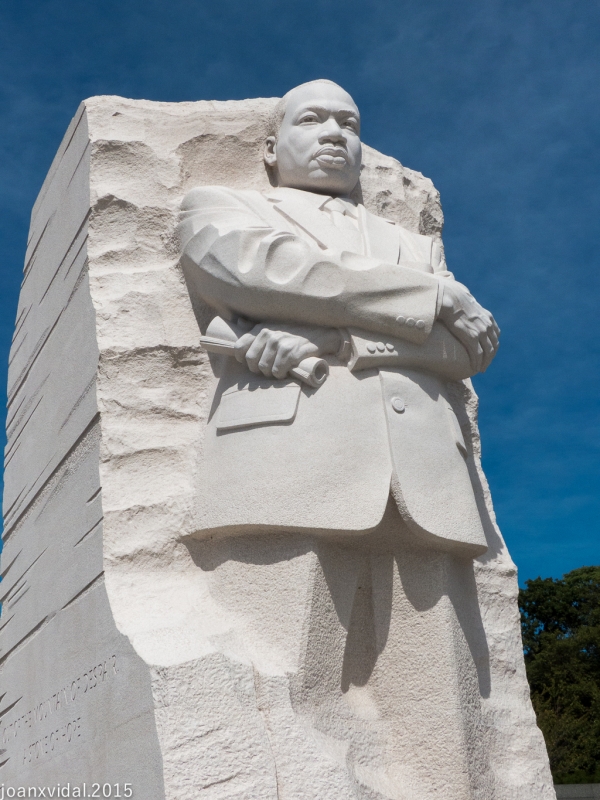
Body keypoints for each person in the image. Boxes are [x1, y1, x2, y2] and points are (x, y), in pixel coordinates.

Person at [176, 80, 501, 798]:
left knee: (447, 717)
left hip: (428, 477)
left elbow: (471, 351)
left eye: (348, 123)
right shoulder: (224, 207)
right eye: (312, 119)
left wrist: (345, 336)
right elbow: (259, 270)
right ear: (269, 146)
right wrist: (431, 300)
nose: (333, 133)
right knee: (284, 687)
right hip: (289, 460)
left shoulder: (413, 245)